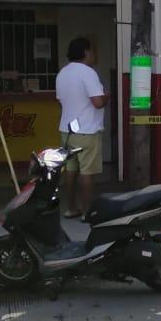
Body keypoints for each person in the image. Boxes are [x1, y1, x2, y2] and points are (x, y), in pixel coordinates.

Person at [55, 37, 106, 217]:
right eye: (92, 51)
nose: (94, 54)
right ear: (86, 52)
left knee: (71, 170)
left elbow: (60, 101)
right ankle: (87, 212)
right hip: (87, 130)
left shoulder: (63, 73)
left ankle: (70, 208)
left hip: (67, 130)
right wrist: (107, 97)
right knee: (87, 172)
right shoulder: (88, 73)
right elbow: (98, 102)